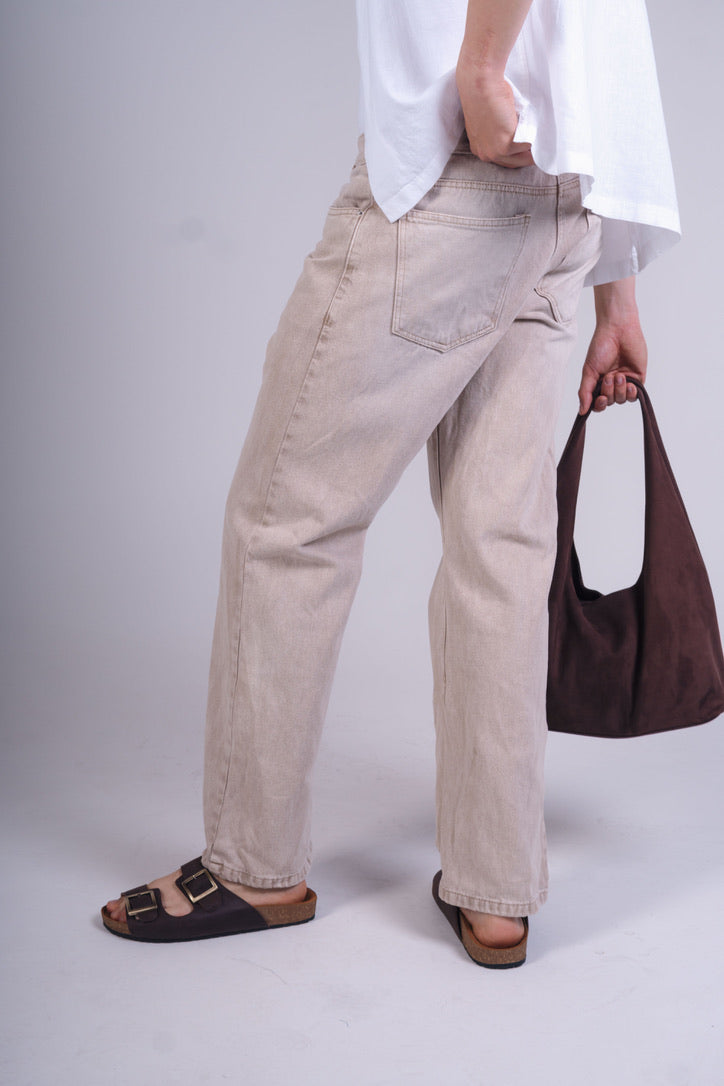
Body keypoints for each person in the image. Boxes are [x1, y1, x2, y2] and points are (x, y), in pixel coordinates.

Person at [102, 0, 680, 966]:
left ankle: (253, 863)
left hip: (460, 171)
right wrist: (617, 289)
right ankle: (496, 891)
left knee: (288, 522)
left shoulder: (476, 103)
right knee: (500, 549)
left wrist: (483, 69)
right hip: (567, 197)